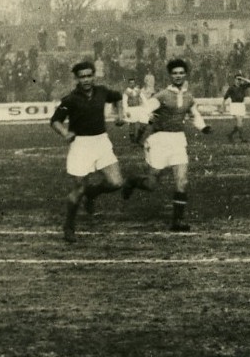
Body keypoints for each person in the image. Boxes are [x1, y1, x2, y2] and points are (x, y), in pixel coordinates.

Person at [121, 58, 212, 232]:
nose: (178, 76)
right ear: (170, 75)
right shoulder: (162, 95)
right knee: (151, 183)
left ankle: (177, 221)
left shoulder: (188, 96)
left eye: (181, 73)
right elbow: (146, 109)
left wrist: (203, 127)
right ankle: (132, 181)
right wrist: (138, 118)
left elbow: (194, 114)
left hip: (178, 140)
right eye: (175, 73)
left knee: (182, 181)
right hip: (159, 140)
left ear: (185, 75)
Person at [50, 61, 126, 243]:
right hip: (81, 145)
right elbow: (55, 121)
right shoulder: (70, 99)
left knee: (116, 182)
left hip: (101, 142)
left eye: (89, 75)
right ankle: (69, 226)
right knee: (79, 188)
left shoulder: (102, 92)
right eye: (82, 76)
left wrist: (120, 114)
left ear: (94, 76)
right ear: (77, 79)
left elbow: (118, 97)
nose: (86, 80)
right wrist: (65, 133)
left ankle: (93, 193)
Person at [222, 71, 250, 143]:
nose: (238, 81)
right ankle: (242, 138)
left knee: (240, 123)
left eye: (240, 79)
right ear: (234, 80)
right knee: (239, 122)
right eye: (237, 79)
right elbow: (225, 98)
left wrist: (243, 78)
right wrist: (222, 107)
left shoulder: (243, 86)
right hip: (234, 106)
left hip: (241, 105)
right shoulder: (231, 88)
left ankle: (230, 135)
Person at [122, 77, 148, 144]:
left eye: (133, 83)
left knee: (142, 123)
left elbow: (144, 99)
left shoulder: (138, 90)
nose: (132, 84)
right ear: (128, 84)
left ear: (135, 83)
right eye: (130, 83)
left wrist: (147, 107)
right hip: (130, 109)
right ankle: (133, 141)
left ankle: (139, 139)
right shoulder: (126, 92)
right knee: (132, 124)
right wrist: (126, 111)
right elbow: (124, 102)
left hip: (138, 108)